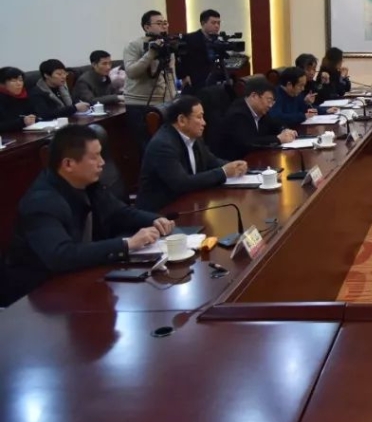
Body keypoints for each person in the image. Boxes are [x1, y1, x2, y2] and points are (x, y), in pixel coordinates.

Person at [4, 126, 175, 303]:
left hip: (81, 276)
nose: (102, 162)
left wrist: (154, 219)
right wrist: (127, 244)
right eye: (94, 157)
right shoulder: (41, 202)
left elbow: (119, 212)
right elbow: (61, 255)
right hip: (39, 296)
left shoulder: (89, 185)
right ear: (68, 164)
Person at [135, 96, 248, 211]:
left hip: (188, 203)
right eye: (199, 117)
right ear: (182, 120)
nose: (204, 123)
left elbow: (212, 162)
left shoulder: (193, 137)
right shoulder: (163, 145)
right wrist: (224, 172)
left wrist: (235, 166)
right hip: (161, 212)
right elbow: (181, 183)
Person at [123, 10, 178, 150]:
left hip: (163, 103)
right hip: (139, 104)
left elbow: (170, 74)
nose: (164, 26)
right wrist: (151, 53)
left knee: (165, 144)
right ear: (147, 27)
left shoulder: (166, 45)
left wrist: (173, 98)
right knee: (146, 146)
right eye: (159, 23)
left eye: (165, 23)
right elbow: (131, 72)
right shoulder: (134, 45)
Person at [213, 76, 298, 160]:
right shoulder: (238, 114)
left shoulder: (260, 112)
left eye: (273, 102)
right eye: (269, 100)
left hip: (254, 158)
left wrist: (284, 130)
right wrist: (278, 139)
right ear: (254, 96)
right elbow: (249, 142)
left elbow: (274, 123)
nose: (270, 105)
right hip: (233, 162)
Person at [180, 9, 223, 93]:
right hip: (194, 82)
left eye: (218, 23)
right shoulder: (189, 38)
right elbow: (181, 59)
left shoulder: (217, 41)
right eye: (213, 23)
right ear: (203, 23)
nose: (217, 26)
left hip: (213, 82)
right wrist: (184, 76)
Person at [0, 66, 37, 132]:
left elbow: (35, 114)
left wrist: (33, 118)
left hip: (28, 132)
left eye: (20, 80)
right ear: (2, 84)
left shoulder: (25, 95)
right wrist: (22, 122)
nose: (19, 84)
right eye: (13, 81)